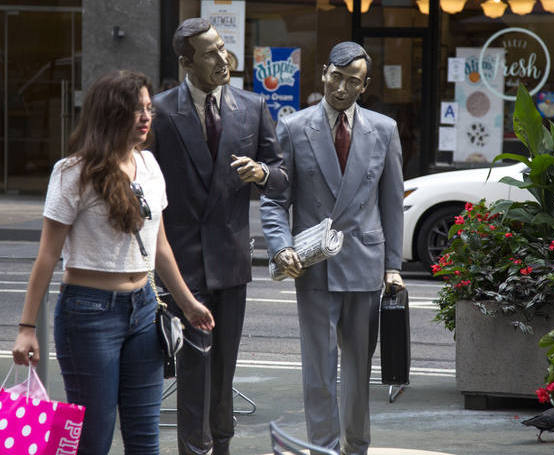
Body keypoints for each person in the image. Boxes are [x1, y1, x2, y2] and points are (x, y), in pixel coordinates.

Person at [11, 69, 215, 455]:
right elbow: (47, 257)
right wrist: (26, 327)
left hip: (144, 310)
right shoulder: (73, 172)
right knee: (93, 437)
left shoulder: (151, 166)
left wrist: (187, 303)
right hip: (88, 314)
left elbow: (161, 247)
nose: (145, 117)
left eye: (148, 108)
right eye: (134, 109)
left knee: (144, 438)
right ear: (108, 114)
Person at [260, 41, 405, 455]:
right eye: (335, 77)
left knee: (359, 369)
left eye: (352, 81)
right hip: (314, 265)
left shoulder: (384, 130)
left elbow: (391, 203)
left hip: (365, 261)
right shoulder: (293, 127)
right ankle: (323, 447)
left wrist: (393, 266)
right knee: (319, 370)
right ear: (323, 72)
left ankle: (356, 447)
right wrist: (280, 246)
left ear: (365, 85)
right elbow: (274, 199)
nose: (341, 88)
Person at [151, 18, 287, 455]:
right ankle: (195, 449)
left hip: (230, 262)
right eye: (209, 52)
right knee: (193, 368)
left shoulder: (251, 107)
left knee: (224, 370)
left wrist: (263, 173)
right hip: (183, 264)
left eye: (223, 48)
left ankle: (221, 447)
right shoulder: (161, 112)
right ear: (186, 61)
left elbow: (283, 176)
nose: (222, 59)